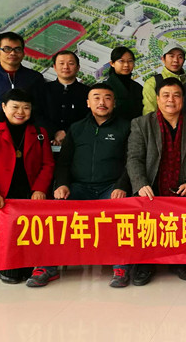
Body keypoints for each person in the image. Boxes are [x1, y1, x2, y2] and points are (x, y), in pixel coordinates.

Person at [126, 77, 186, 286]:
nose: (171, 100)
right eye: (166, 95)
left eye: (176, 95)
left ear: (183, 100)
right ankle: (145, 263)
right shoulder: (141, 124)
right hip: (152, 187)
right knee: (144, 219)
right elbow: (134, 158)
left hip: (184, 189)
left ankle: (180, 261)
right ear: (157, 99)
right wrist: (141, 184)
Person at [52, 83, 132, 288]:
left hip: (111, 187)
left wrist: (121, 185)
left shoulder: (126, 127)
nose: (101, 102)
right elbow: (64, 162)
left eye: (107, 98)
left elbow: (131, 161)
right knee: (55, 216)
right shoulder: (76, 128)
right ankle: (47, 267)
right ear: (88, 103)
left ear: (114, 103)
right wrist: (62, 184)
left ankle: (121, 267)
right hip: (79, 187)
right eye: (96, 97)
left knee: (121, 216)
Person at [0, 89, 54, 285]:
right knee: (6, 232)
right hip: (1, 195)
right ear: (4, 107)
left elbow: (48, 164)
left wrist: (40, 189)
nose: (20, 112)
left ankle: (28, 264)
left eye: (26, 108)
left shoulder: (39, 134)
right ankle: (6, 265)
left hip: (29, 194)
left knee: (30, 232)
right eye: (15, 107)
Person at [0, 32, 45, 127]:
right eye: (7, 49)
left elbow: (40, 109)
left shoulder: (35, 78)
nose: (13, 53)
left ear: (23, 53)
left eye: (17, 49)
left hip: (27, 132)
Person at [37, 50, 89, 146]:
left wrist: (66, 132)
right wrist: (54, 133)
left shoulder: (88, 92)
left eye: (71, 63)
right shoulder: (42, 90)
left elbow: (88, 118)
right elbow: (37, 115)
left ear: (78, 68)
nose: (66, 67)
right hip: (46, 142)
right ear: (54, 67)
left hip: (78, 143)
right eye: (61, 63)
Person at [142, 43, 186, 115]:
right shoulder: (152, 83)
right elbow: (149, 114)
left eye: (180, 57)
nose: (175, 60)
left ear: (184, 60)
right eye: (171, 56)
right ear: (163, 59)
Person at [105, 46, 143, 121]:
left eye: (130, 61)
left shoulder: (137, 87)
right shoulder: (106, 88)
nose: (126, 65)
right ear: (112, 63)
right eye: (121, 61)